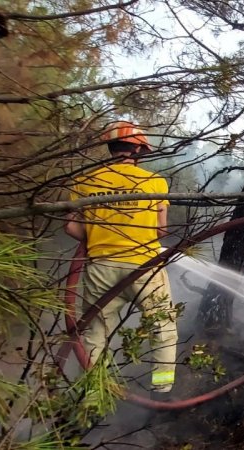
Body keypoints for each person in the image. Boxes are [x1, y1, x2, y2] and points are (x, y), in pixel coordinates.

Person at [64, 121, 178, 395]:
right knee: (161, 323)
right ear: (138, 148)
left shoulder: (84, 181)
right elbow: (161, 230)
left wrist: (99, 235)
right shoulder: (154, 182)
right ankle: (162, 388)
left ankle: (91, 396)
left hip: (101, 267)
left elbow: (70, 226)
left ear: (110, 147)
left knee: (96, 333)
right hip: (144, 267)